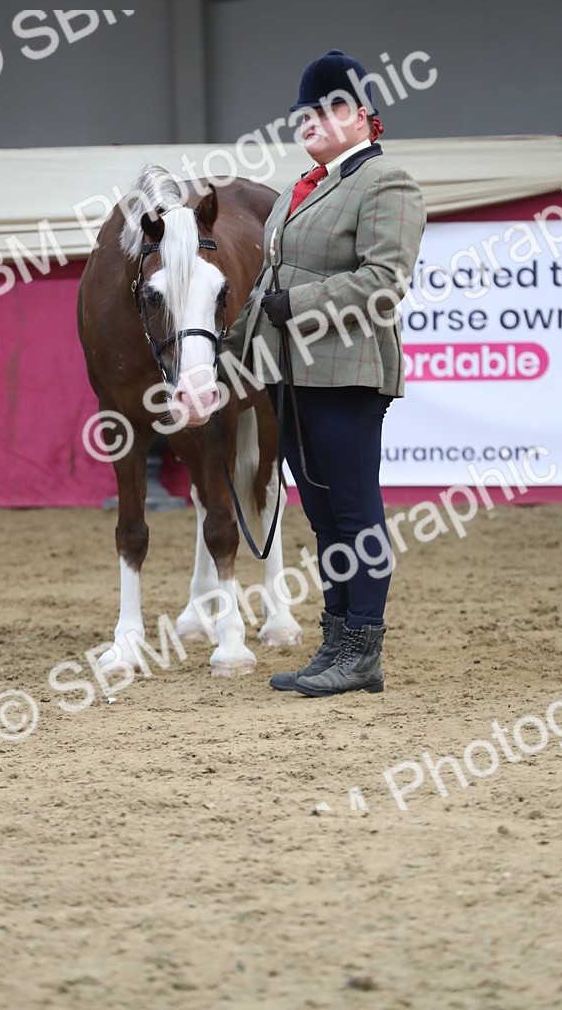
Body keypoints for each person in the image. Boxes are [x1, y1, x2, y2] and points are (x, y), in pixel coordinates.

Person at [221, 49, 426, 697]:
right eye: (303, 111)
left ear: (365, 118)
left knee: (356, 511)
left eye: (330, 107)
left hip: (348, 372)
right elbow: (265, 290)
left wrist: (298, 305)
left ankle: (364, 646)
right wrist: (228, 352)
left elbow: (384, 284)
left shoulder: (386, 184)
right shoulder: (296, 192)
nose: (311, 120)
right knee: (323, 516)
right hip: (293, 374)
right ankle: (337, 640)